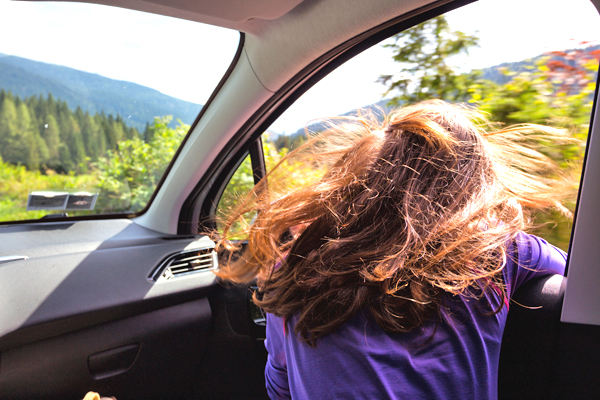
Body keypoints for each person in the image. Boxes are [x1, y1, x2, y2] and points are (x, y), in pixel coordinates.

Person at [215, 100, 574, 399]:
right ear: (475, 183)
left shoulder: (295, 265)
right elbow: (581, 278)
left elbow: (280, 387)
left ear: (361, 173)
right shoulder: (498, 250)